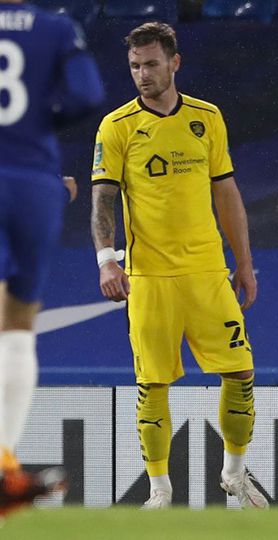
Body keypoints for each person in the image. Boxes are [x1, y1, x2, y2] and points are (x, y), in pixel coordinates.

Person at [90, 22, 266, 509]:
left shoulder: (206, 118)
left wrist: (244, 263)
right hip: (149, 277)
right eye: (134, 66)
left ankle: (233, 472)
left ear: (175, 63)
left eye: (150, 64)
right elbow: (102, 199)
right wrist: (108, 261)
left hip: (208, 273)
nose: (142, 74)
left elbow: (226, 193)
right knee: (152, 382)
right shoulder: (118, 126)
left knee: (241, 370)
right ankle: (160, 491)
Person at [0, 0, 104, 512]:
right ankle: (5, 467)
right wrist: (39, 121)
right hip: (35, 184)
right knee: (18, 323)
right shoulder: (55, 28)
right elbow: (87, 94)